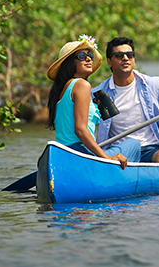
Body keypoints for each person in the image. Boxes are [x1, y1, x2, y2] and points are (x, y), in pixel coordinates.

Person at [93, 36, 159, 163]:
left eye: (129, 55)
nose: (125, 58)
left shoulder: (153, 84)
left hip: (150, 149)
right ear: (109, 62)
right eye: (119, 55)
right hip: (119, 152)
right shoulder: (99, 93)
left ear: (134, 59)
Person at [45, 36, 140, 168]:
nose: (89, 59)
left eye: (89, 55)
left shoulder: (63, 88)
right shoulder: (82, 85)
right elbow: (80, 130)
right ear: (70, 62)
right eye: (82, 56)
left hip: (63, 153)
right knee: (133, 144)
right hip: (79, 153)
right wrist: (107, 158)